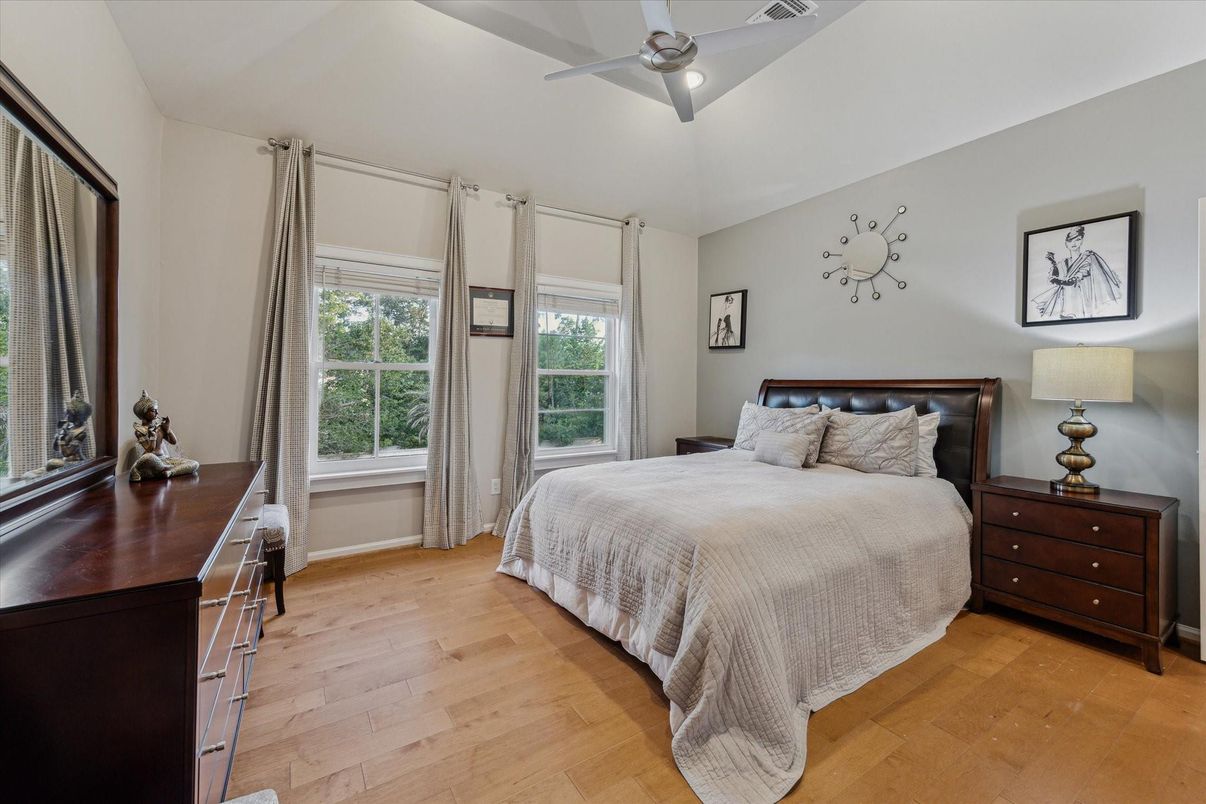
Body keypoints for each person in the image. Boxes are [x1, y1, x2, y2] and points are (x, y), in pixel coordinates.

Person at [1031, 225, 1123, 320]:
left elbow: (1074, 279)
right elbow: (1052, 278)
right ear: (1066, 243)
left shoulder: (1087, 258)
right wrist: (1052, 264)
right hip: (1064, 306)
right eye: (1070, 240)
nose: (1074, 243)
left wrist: (1059, 280)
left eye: (1078, 239)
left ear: (1082, 240)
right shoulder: (1062, 263)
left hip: (1081, 305)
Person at [130, 390, 200, 481]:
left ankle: (170, 472)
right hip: (153, 461)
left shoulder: (159, 427)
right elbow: (150, 450)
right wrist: (152, 437)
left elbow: (173, 442)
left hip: (165, 459)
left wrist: (167, 429)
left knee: (194, 464)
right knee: (148, 457)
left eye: (157, 410)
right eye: (153, 410)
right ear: (144, 412)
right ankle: (162, 469)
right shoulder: (140, 431)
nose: (157, 413)